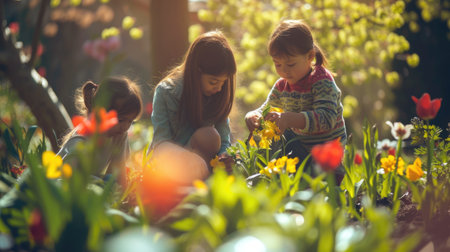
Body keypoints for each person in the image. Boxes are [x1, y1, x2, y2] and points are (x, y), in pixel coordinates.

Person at [245, 19, 347, 177]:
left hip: (327, 157)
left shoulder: (321, 82)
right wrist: (253, 116)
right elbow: (266, 109)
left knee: (283, 132)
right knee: (271, 132)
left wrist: (289, 119)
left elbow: (327, 118)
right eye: (277, 64)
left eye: (291, 64)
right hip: (299, 152)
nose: (284, 71)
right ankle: (269, 176)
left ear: (310, 56)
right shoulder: (282, 86)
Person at [149, 30, 237, 180]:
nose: (219, 88)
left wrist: (225, 156)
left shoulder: (217, 96)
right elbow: (160, 142)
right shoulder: (166, 92)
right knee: (206, 138)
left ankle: (202, 185)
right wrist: (187, 158)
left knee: (210, 136)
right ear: (196, 71)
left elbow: (224, 140)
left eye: (223, 82)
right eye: (213, 82)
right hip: (169, 164)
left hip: (202, 167)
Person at [57, 76, 143, 186]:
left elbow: (117, 174)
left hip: (88, 183)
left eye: (130, 121)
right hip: (60, 183)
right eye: (120, 120)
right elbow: (65, 178)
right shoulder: (80, 141)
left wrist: (120, 197)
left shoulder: (120, 135)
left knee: (110, 181)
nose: (125, 127)